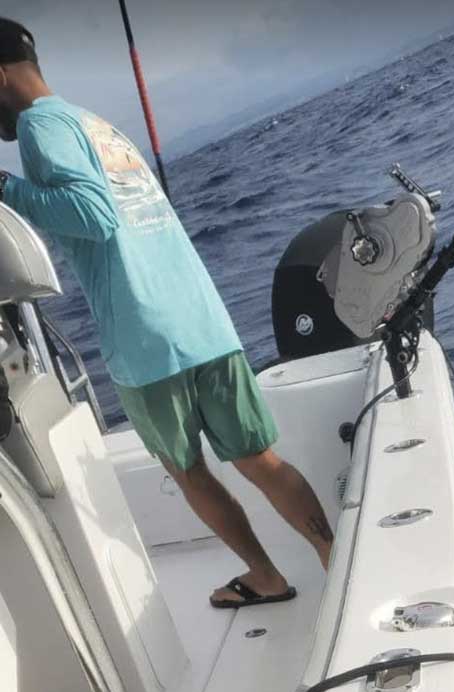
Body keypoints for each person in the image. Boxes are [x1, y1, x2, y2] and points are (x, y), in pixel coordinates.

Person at [0, 18, 333, 609]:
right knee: (260, 458)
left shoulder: (37, 127)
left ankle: (266, 577)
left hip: (145, 339)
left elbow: (93, 215)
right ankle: (335, 560)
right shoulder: (92, 121)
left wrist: (6, 185)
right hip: (202, 321)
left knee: (189, 472)